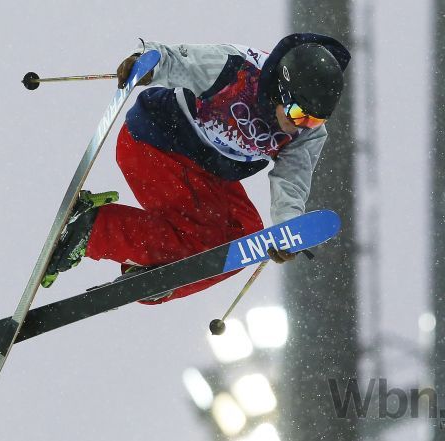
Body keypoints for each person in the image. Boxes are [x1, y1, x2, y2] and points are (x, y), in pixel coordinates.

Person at [41, 33, 351, 304]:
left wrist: (288, 228)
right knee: (203, 237)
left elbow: (292, 179)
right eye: (298, 113)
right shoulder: (235, 69)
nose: (300, 125)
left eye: (314, 120)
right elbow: (177, 61)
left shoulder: (307, 133)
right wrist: (145, 64)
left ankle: (158, 275)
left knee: (245, 238)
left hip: (207, 172)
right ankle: (94, 230)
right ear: (282, 88)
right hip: (156, 145)